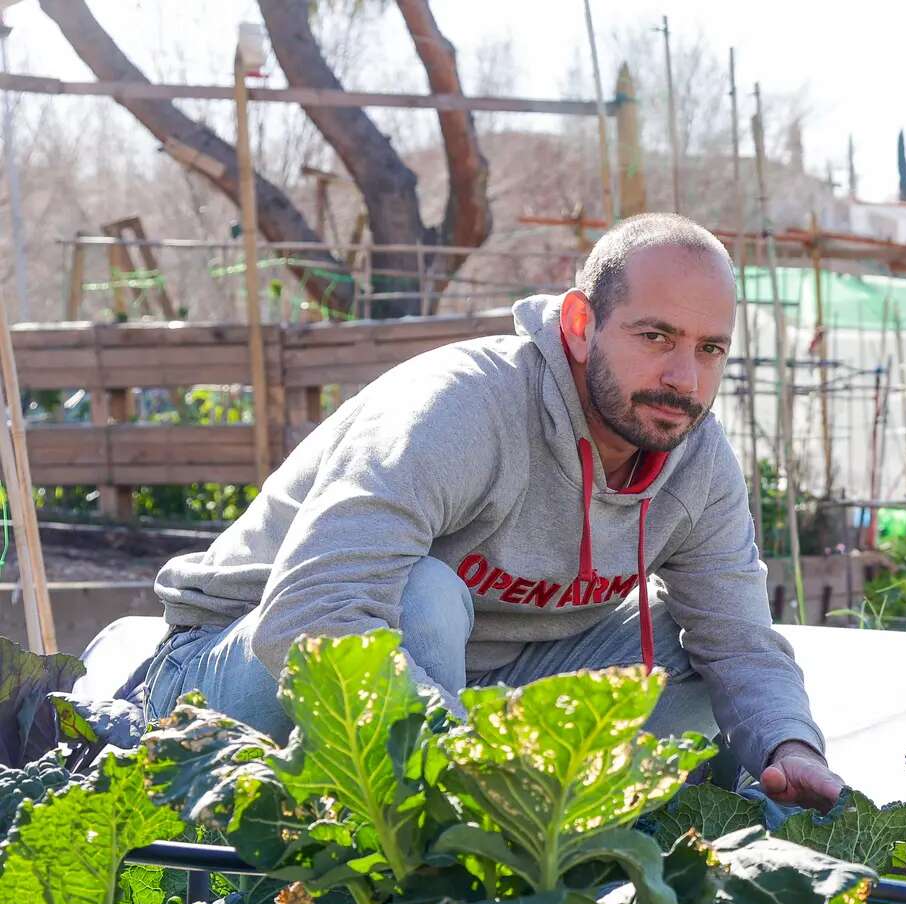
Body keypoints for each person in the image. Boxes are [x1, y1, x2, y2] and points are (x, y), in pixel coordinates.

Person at [139, 213, 843, 810]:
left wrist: (792, 747)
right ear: (578, 324)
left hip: (476, 694)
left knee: (695, 654)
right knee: (421, 596)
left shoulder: (697, 460)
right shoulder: (459, 408)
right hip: (228, 673)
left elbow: (741, 644)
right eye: (655, 337)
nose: (684, 378)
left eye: (709, 349)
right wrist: (471, 759)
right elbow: (312, 618)